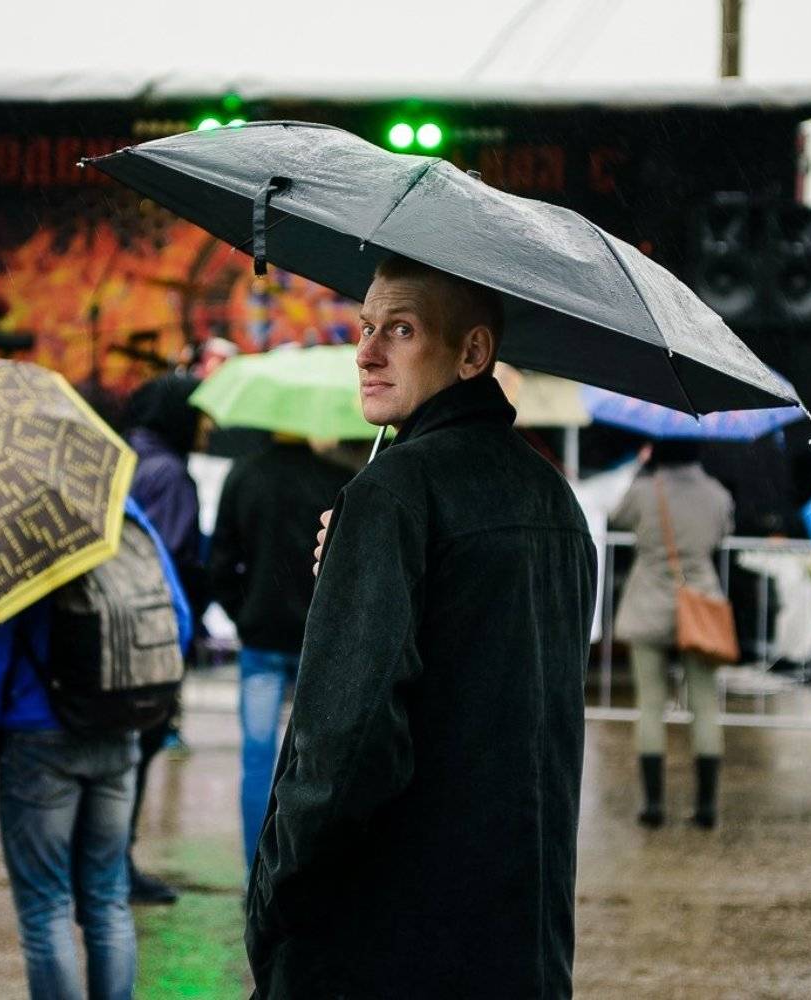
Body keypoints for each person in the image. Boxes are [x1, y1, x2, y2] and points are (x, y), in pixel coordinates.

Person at [245, 256, 596, 997]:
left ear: (473, 352)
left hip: (388, 940)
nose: (367, 353)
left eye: (400, 330)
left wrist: (275, 896)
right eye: (365, 327)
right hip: (517, 939)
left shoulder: (396, 492)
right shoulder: (554, 499)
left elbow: (347, 746)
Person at [0, 498, 191, 1000]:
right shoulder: (125, 512)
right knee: (108, 899)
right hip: (118, 728)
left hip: (37, 736)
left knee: (46, 908)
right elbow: (180, 620)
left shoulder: (15, 525)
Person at [208, 433, 352, 868]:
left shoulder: (244, 474)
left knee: (257, 761)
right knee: (317, 764)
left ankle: (256, 873)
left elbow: (219, 561)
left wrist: (243, 612)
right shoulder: (337, 478)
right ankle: (301, 871)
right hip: (318, 641)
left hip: (261, 639)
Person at [610, 438, 735, 829]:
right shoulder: (716, 494)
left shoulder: (645, 491)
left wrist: (640, 468)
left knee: (650, 704)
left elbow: (617, 516)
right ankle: (706, 807)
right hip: (700, 605)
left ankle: (653, 805)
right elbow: (722, 533)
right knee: (705, 705)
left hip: (648, 602)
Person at [120, 373, 206, 905]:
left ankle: (101, 862)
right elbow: (169, 559)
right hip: (151, 636)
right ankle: (116, 866)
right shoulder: (171, 474)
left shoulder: (120, 454)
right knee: (138, 752)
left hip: (111, 631)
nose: (207, 426)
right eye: (200, 415)